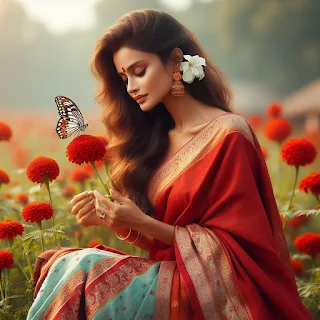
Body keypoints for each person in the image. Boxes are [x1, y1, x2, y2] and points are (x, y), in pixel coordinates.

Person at [27, 9, 313, 320]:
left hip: (212, 293)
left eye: (139, 71)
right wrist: (118, 222)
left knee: (81, 269)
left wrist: (140, 221)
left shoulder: (228, 134)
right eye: (124, 78)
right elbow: (166, 241)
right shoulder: (155, 141)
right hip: (168, 277)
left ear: (175, 61)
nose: (131, 87)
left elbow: (237, 250)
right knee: (64, 263)